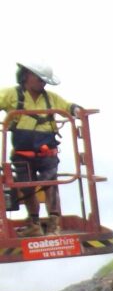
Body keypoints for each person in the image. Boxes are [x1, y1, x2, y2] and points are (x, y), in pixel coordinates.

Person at [0, 62, 83, 236]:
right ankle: (34, 225)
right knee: (27, 187)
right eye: (39, 79)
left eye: (45, 81)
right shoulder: (11, 94)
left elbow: (67, 106)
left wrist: (76, 110)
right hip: (23, 152)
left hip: (47, 151)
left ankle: (54, 225)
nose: (42, 83)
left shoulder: (51, 98)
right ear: (26, 76)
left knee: (50, 185)